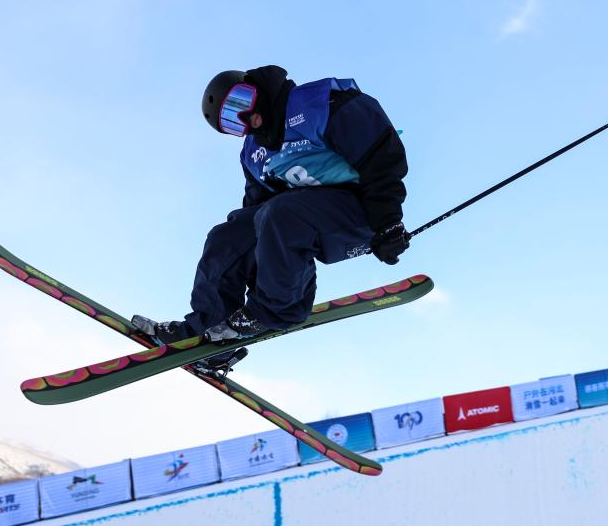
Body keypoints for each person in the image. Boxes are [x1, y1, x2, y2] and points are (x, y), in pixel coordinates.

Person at [132, 65, 409, 345]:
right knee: (228, 235)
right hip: (300, 221)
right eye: (231, 121)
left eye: (240, 102)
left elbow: (381, 155)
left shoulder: (319, 105)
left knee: (280, 213)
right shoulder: (254, 154)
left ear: (256, 87)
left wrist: (388, 223)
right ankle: (209, 330)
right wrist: (261, 278)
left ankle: (278, 309)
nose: (244, 117)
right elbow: (255, 227)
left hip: (364, 213)